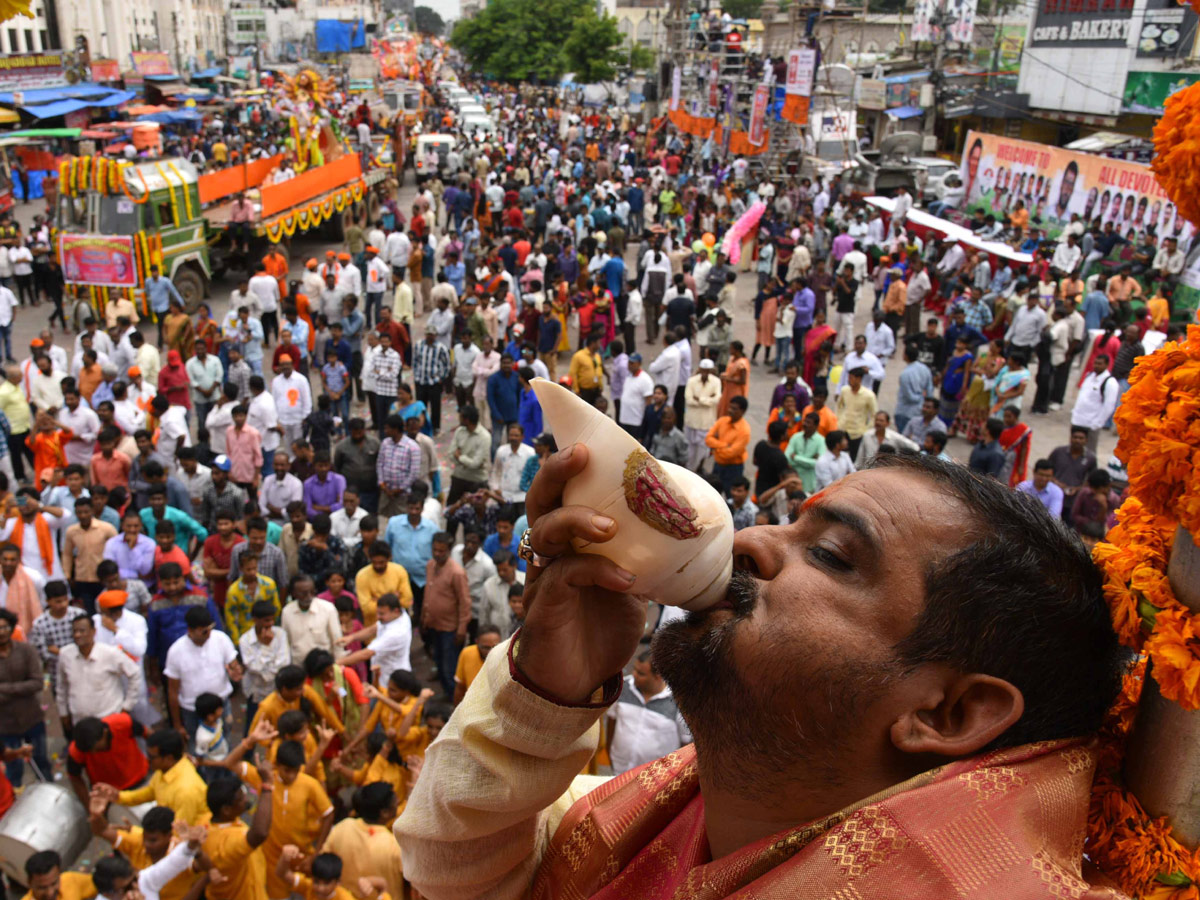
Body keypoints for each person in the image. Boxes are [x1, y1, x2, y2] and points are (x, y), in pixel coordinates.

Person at [163, 606, 242, 743]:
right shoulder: (176, 651)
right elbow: (172, 691)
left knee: (225, 742)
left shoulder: (221, 639)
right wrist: (177, 724)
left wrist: (235, 671)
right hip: (193, 711)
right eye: (204, 631)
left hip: (220, 705)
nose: (209, 634)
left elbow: (233, 664)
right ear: (191, 631)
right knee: (197, 746)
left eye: (210, 629)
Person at [57, 612, 142, 731]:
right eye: (74, 631)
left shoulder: (110, 653)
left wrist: (127, 707)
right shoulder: (65, 654)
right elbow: (62, 687)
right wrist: (63, 713)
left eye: (82, 631)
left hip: (109, 720)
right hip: (80, 722)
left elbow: (134, 673)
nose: (77, 635)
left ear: (93, 632)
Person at [0, 607, 51, 785]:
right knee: (13, 770)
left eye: (5, 627)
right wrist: (21, 688)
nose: (2, 632)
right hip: (5, 725)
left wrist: (5, 689)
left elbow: (37, 683)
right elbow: (29, 685)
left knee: (42, 763)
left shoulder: (26, 650)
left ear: (12, 628)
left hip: (32, 719)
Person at [1071, 354, 1120, 454]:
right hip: (1077, 420)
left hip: (1091, 425)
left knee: (1089, 453)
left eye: (1099, 364)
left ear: (1106, 365)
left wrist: (1097, 424)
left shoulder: (1110, 382)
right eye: (1095, 363)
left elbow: (1109, 406)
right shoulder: (1089, 376)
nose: (1096, 366)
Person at [704, 394, 751, 495]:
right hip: (718, 465)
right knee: (712, 493)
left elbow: (730, 454)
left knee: (731, 495)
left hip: (733, 468)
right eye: (730, 407)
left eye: (734, 409)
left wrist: (715, 447)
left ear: (742, 412)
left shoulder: (744, 431)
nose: (730, 410)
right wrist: (725, 445)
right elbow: (708, 439)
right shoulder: (722, 421)